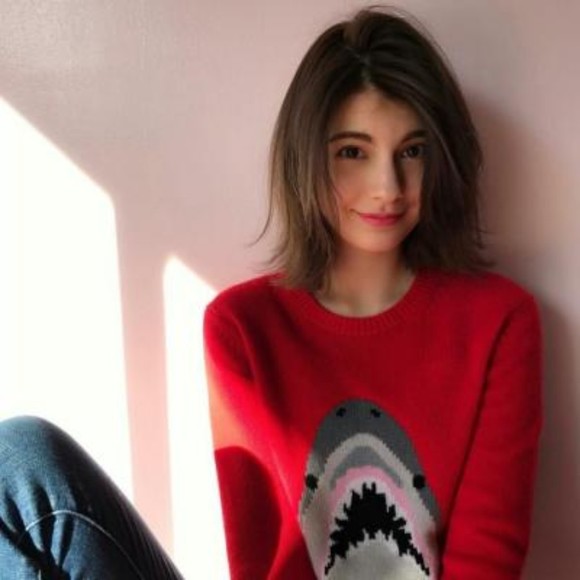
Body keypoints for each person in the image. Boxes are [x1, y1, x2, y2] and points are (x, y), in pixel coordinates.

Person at [0, 6, 543, 580]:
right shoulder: (242, 326)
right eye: (353, 152)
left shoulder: (499, 322)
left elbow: (487, 562)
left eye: (412, 150)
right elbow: (258, 561)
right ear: (307, 158)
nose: (388, 186)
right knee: (17, 462)